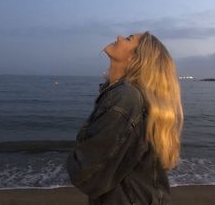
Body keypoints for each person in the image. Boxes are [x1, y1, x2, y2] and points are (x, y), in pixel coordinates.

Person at [66, 31, 184, 205]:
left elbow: (86, 173)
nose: (119, 37)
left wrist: (73, 161)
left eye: (128, 39)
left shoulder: (126, 98)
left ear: (135, 58)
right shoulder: (128, 95)